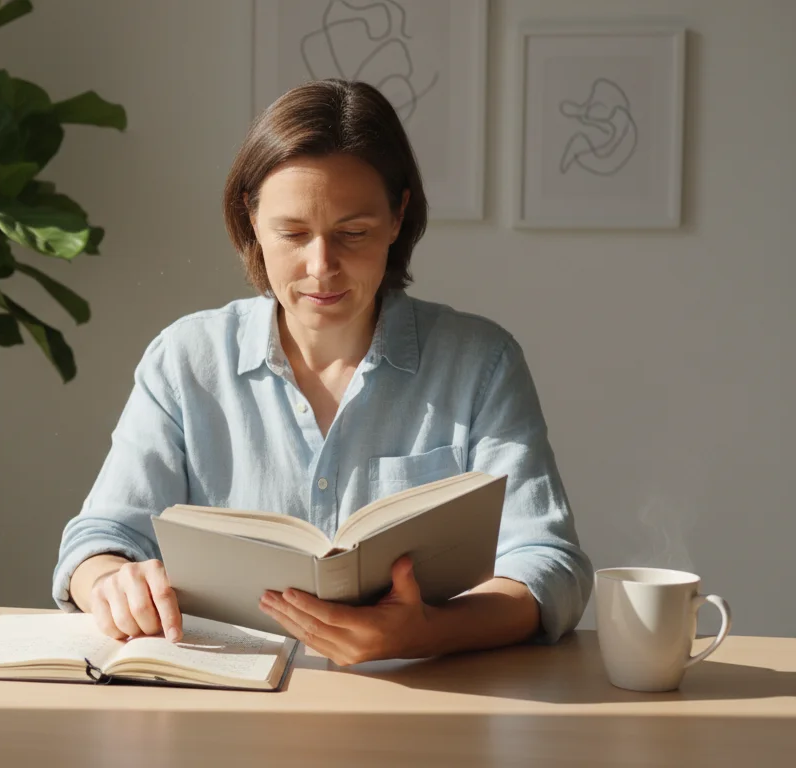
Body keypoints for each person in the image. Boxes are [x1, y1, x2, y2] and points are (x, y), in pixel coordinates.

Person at [51, 79, 593, 666]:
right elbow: (98, 540)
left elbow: (548, 563)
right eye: (292, 234)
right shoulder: (186, 360)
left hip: (422, 708)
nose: (321, 267)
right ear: (250, 218)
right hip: (223, 708)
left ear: (397, 217)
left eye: (352, 233)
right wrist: (109, 581)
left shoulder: (479, 363)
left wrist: (429, 631)